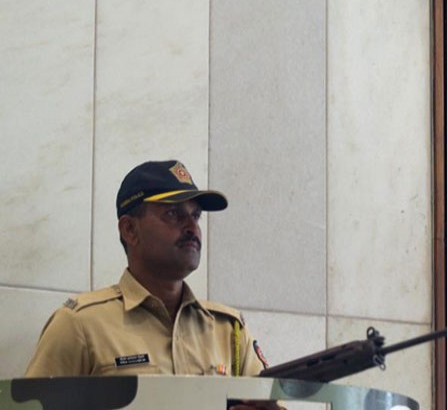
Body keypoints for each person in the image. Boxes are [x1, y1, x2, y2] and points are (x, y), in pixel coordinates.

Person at [26, 160, 282, 410]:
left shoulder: (229, 331)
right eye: (173, 214)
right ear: (129, 230)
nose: (192, 227)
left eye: (195, 216)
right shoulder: (80, 325)